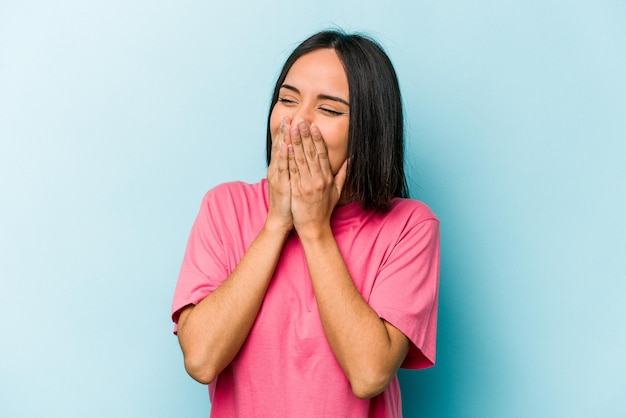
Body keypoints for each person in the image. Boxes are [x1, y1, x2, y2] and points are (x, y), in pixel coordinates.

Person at [171, 29, 440, 417]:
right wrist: (277, 223)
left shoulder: (409, 226)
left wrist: (314, 229)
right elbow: (200, 359)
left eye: (328, 110)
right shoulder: (224, 207)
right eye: (287, 99)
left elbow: (369, 374)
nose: (295, 123)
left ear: (368, 130)